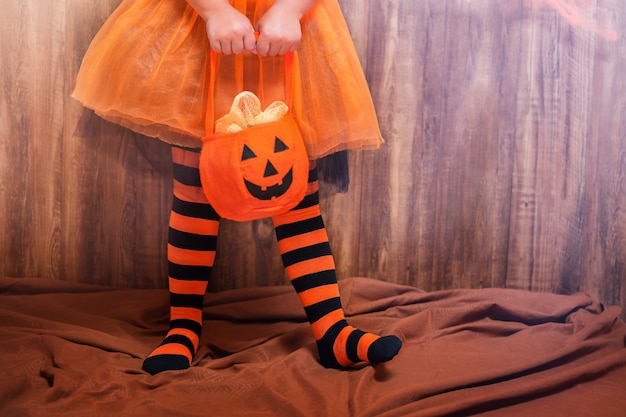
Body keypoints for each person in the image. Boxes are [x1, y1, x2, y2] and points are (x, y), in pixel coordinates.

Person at [73, 0, 402, 375]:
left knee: (293, 192)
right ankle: (182, 327)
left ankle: (333, 331)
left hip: (289, 30)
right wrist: (213, 10)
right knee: (196, 189)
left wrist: (292, 10)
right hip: (200, 25)